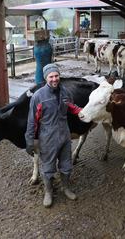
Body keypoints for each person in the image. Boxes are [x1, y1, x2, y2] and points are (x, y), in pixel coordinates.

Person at [25, 63, 82, 208]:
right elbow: (32, 120)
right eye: (51, 76)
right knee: (48, 167)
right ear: (46, 78)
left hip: (64, 134)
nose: (54, 79)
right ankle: (49, 192)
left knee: (66, 164)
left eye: (56, 76)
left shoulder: (65, 92)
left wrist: (84, 112)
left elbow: (72, 107)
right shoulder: (38, 96)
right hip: (48, 136)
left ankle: (66, 188)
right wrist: (30, 140)